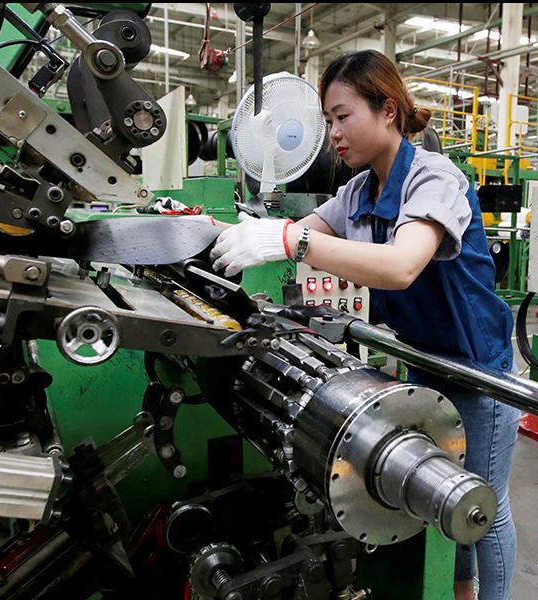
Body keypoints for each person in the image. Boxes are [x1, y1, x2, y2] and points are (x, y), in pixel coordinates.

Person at [210, 50, 519, 600]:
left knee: (481, 507)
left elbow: (401, 266)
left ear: (389, 112)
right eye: (327, 121)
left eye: (343, 115)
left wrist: (291, 240)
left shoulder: (433, 178)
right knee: (438, 497)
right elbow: (298, 229)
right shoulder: (357, 191)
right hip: (424, 363)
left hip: (478, 373)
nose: (333, 134)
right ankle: (462, 593)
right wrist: (220, 233)